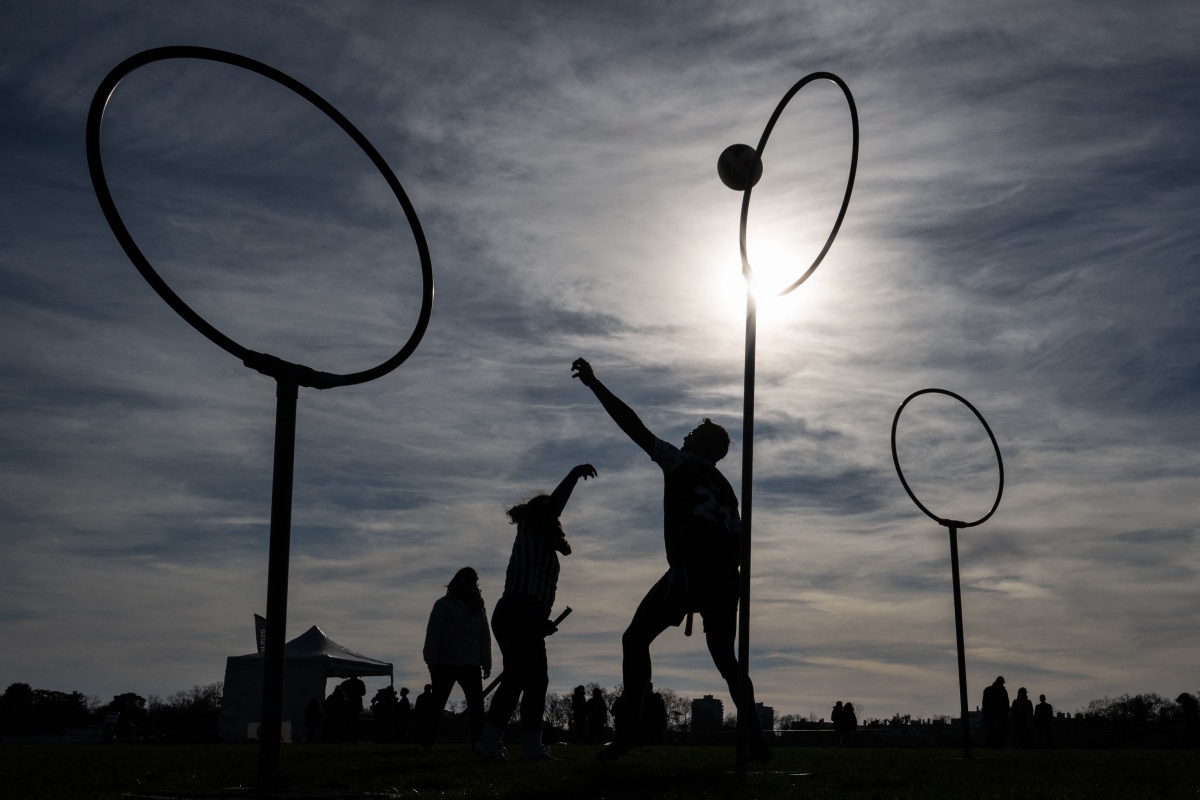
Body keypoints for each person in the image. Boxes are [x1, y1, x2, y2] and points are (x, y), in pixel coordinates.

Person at [571, 357, 771, 763]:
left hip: (689, 573)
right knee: (726, 659)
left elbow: (633, 427)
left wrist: (596, 385)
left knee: (635, 638)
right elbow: (739, 544)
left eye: (693, 433)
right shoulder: (726, 488)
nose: (685, 436)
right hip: (723, 579)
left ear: (701, 445)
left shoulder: (680, 463)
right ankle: (756, 739)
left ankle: (629, 732)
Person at [472, 463, 598, 762]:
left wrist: (542, 622)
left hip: (523, 613)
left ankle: (528, 746)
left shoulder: (541, 543)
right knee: (520, 678)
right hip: (518, 610)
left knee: (533, 680)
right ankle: (493, 742)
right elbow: (553, 508)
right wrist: (573, 475)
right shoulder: (531, 527)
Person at [422, 567, 492, 748]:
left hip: (471, 663)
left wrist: (486, 661)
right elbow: (433, 633)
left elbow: (484, 635)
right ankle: (427, 740)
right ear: (458, 580)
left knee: (476, 706)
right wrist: (431, 660)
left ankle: (478, 742)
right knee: (437, 704)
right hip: (446, 662)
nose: (471, 583)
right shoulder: (443, 604)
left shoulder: (479, 606)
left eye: (474, 579)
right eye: (467, 579)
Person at [981, 676, 1009, 748]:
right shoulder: (1002, 691)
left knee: (992, 731)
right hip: (995, 714)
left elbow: (985, 703)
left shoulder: (989, 690)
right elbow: (1006, 703)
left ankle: (991, 745)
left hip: (993, 714)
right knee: (994, 731)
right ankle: (996, 745)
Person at [412, 684, 436, 750]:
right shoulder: (432, 697)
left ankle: (423, 744)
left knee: (423, 731)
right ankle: (429, 744)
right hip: (429, 717)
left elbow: (417, 708)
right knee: (429, 731)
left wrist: (416, 717)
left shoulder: (420, 697)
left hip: (422, 717)